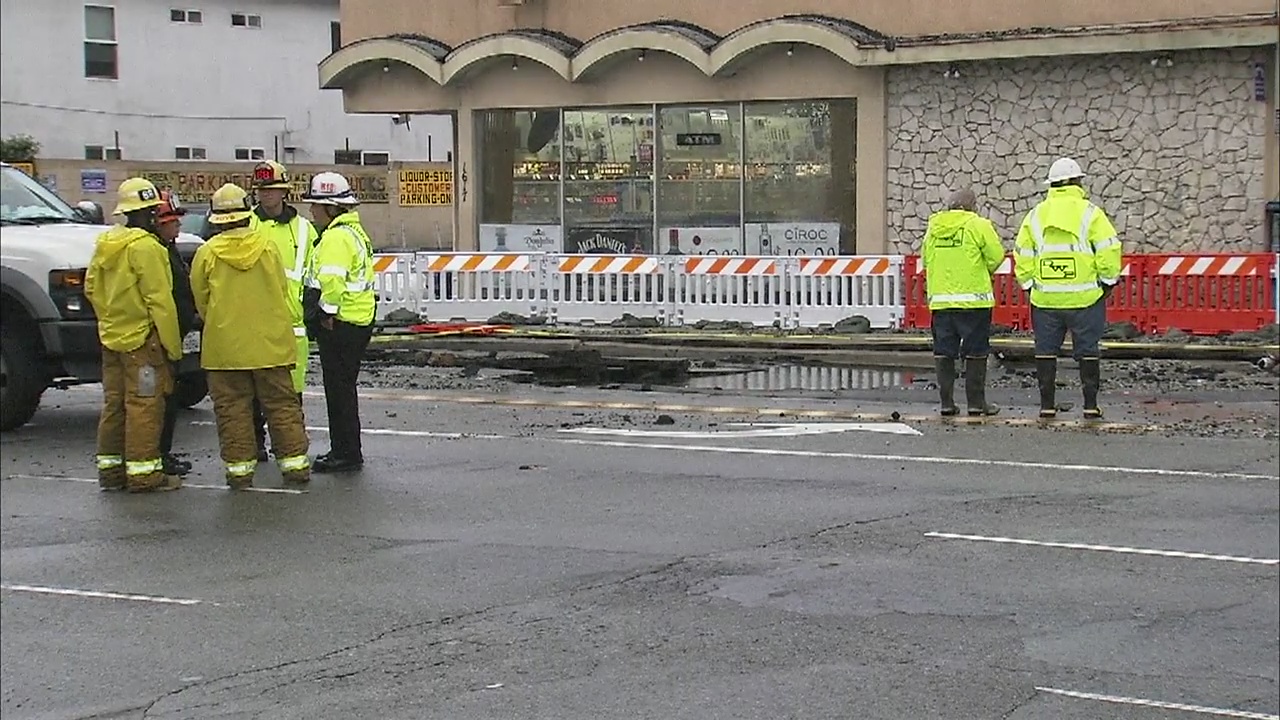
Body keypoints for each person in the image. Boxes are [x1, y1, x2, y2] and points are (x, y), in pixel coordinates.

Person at [190, 183, 310, 489]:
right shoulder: (268, 247)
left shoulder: (206, 254)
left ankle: (240, 472)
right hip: (271, 345)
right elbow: (281, 290)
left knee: (233, 411)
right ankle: (295, 466)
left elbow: (201, 300)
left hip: (225, 348)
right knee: (283, 407)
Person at [84, 178, 184, 493]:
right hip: (142, 343)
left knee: (114, 404)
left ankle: (111, 472)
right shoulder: (147, 248)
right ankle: (144, 474)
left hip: (111, 338)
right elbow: (160, 301)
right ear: (149, 212)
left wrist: (111, 319)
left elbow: (90, 288)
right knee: (144, 407)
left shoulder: (106, 242)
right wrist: (173, 348)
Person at [1014, 157, 1123, 419]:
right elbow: (1109, 250)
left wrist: (1030, 285)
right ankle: (1090, 405)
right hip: (1086, 299)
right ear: (1077, 182)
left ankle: (1047, 406)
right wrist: (1107, 282)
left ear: (1051, 184)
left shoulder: (1036, 215)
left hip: (1046, 301)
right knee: (1087, 351)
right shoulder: (1091, 213)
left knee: (1045, 352)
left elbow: (1022, 254)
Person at [301, 172, 376, 473]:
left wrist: (327, 314)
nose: (312, 211)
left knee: (339, 391)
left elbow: (332, 281)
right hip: (356, 321)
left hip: (341, 323)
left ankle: (344, 453)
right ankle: (347, 449)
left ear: (331, 207)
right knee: (344, 389)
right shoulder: (352, 233)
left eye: (316, 206)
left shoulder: (336, 237)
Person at [248, 161, 319, 462]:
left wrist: (310, 311)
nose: (266, 196)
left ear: (283, 192)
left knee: (291, 393)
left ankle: (288, 446)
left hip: (293, 324)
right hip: (254, 320)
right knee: (253, 393)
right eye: (262, 190)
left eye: (271, 190)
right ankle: (255, 444)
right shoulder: (247, 224)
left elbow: (313, 274)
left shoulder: (304, 229)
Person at [922, 188, 1005, 417]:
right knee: (976, 351)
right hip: (974, 302)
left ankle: (947, 403)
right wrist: (982, 270)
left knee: (944, 352)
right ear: (972, 205)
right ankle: (977, 404)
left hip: (941, 303)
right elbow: (996, 256)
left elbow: (925, 260)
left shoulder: (934, 228)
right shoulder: (978, 225)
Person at [154, 190, 199, 476]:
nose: (178, 225)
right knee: (157, 402)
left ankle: (161, 454)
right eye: (171, 220)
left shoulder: (167, 247)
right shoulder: (154, 250)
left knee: (168, 400)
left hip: (174, 334)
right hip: (160, 338)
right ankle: (156, 456)